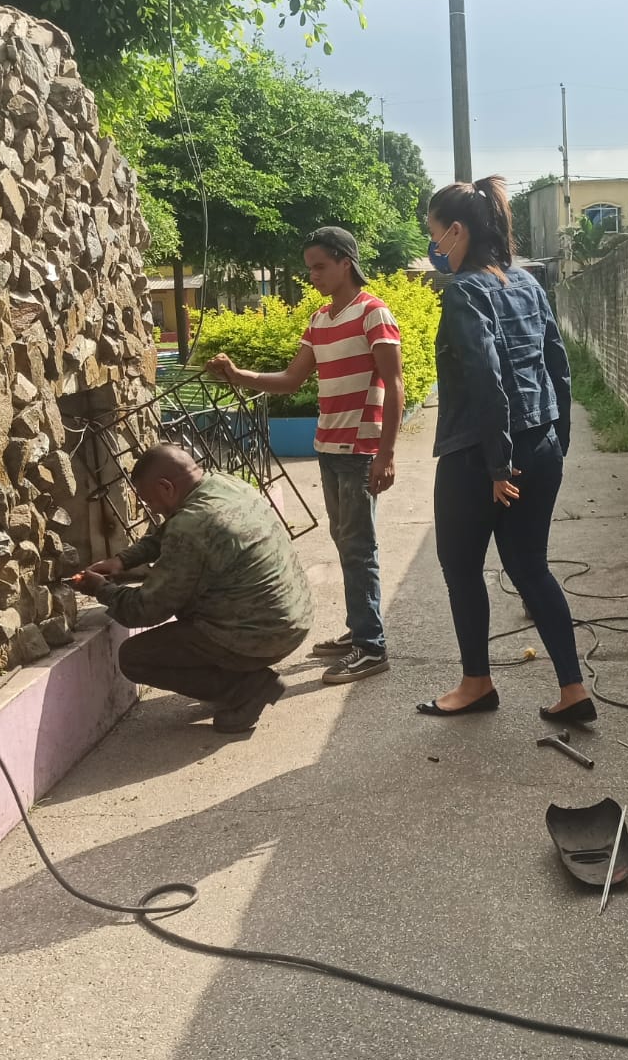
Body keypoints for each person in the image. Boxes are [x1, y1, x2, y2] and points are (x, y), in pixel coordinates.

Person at [415, 176, 596, 724]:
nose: (433, 246)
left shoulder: (464, 292)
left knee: (461, 566)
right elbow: (557, 365)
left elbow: (486, 378)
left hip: (480, 455)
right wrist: (557, 441)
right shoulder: (527, 284)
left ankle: (476, 683)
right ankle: (573, 690)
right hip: (541, 444)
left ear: (456, 231)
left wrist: (498, 465)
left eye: (433, 234)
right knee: (530, 567)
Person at [206, 227, 402, 686]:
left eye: (320, 266)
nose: (313, 275)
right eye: (310, 268)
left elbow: (395, 384)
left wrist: (386, 453)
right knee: (346, 543)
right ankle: (360, 629)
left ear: (345, 263)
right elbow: (292, 379)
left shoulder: (373, 313)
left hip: (359, 450)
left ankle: (371, 647)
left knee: (358, 548)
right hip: (327, 448)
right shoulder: (319, 320)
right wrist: (238, 375)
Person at [75, 444, 314, 735]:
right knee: (192, 610)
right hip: (295, 616)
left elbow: (146, 609)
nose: (152, 509)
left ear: (166, 487)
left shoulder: (190, 527)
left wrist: (101, 589)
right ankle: (239, 677)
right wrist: (123, 560)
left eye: (150, 501)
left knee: (134, 657)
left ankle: (247, 688)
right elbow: (170, 530)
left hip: (262, 634)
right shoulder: (224, 484)